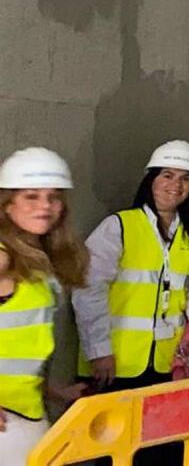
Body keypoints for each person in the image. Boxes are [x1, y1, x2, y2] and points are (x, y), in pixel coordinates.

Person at [77, 140, 189, 395]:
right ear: (151, 179)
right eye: (167, 175)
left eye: (185, 178)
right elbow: (88, 290)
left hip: (169, 363)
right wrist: (99, 351)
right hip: (114, 363)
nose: (176, 185)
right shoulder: (119, 226)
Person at [1, 148, 88, 456]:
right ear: (7, 204)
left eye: (53, 197)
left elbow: (18, 354)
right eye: (31, 196)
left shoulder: (37, 259)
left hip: (26, 412)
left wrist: (55, 392)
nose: (45, 206)